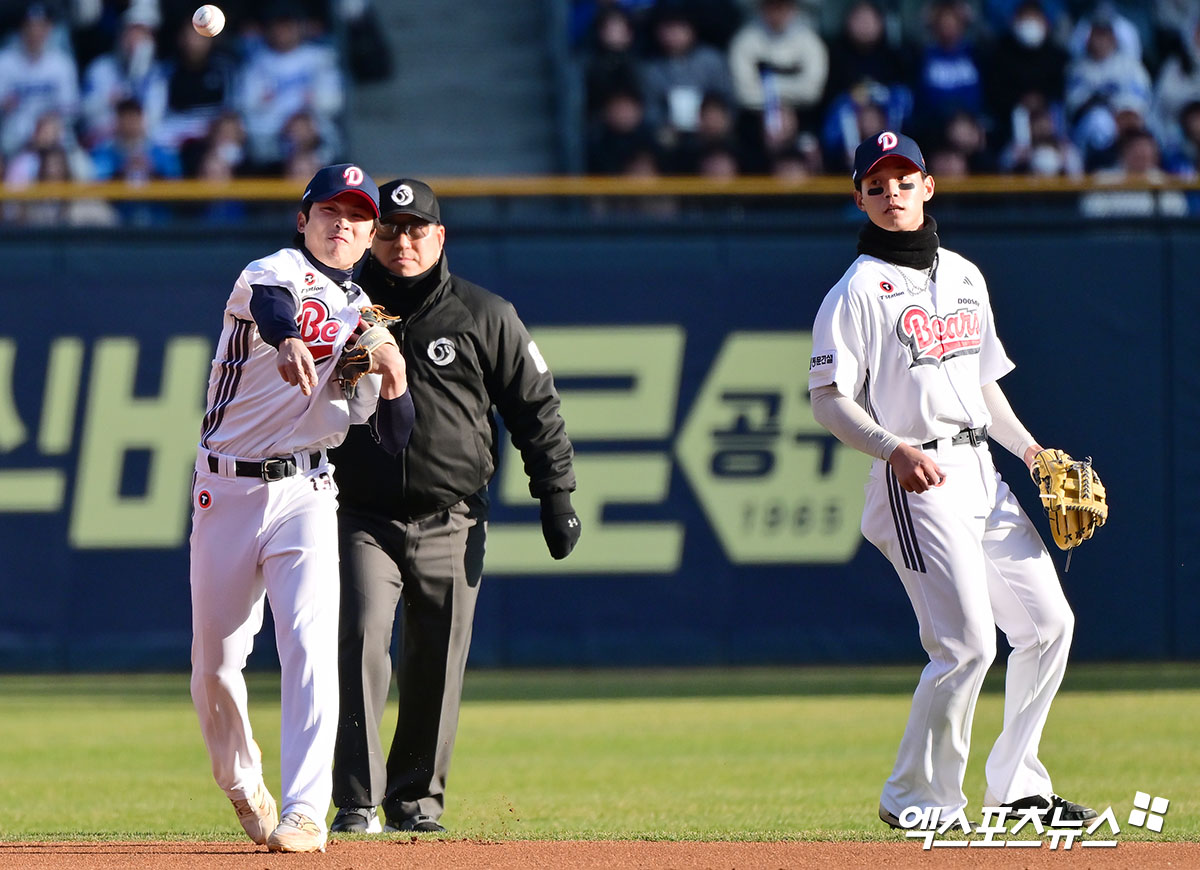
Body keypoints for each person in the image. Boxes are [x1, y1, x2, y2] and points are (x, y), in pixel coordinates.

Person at [807, 131, 1097, 829]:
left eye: (903, 180)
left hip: (981, 471)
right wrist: (892, 449)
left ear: (928, 187)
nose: (891, 194)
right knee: (966, 645)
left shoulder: (965, 275)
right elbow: (828, 399)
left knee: (1049, 626)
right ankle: (918, 800)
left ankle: (1019, 787)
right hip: (915, 479)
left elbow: (984, 385)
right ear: (860, 198)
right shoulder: (855, 292)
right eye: (876, 185)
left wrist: (1031, 454)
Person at [329, 178, 580, 834]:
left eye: (416, 230)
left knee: (437, 658)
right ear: (369, 237)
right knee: (358, 641)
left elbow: (535, 408)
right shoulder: (340, 310)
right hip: (359, 515)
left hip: (453, 515)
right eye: (389, 230)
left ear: (440, 238)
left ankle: (413, 799)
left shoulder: (484, 313)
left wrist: (556, 494)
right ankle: (355, 799)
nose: (402, 243)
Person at [189, 163, 414, 854]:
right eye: (328, 210)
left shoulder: (367, 320)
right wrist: (288, 340)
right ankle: (240, 782)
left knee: (312, 648)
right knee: (215, 668)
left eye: (356, 215)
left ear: (371, 234)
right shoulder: (271, 268)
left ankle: (305, 811)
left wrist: (392, 375)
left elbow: (394, 433)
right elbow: (274, 311)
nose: (341, 223)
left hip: (308, 493)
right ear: (303, 218)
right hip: (226, 488)